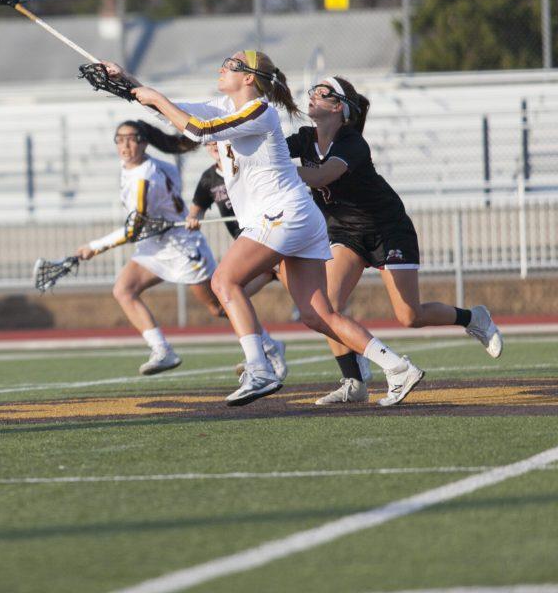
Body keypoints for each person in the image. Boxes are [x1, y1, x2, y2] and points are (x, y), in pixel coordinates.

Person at [96, 51, 425, 406]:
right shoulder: (224, 104)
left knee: (224, 281)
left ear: (249, 77)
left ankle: (260, 368)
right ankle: (398, 367)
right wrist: (126, 80)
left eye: (231, 65)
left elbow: (199, 130)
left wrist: (156, 98)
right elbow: (171, 109)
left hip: (283, 214)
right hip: (293, 217)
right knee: (319, 315)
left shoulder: (259, 110)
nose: (222, 68)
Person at [288, 76, 502, 405]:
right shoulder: (304, 139)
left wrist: (275, 172)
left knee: (409, 316)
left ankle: (474, 318)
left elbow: (321, 176)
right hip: (346, 233)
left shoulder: (351, 143)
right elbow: (270, 152)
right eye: (312, 92)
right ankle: (355, 381)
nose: (312, 97)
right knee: (326, 309)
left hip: (387, 229)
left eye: (323, 93)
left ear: (339, 107)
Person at [74, 120, 225, 376]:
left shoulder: (145, 176)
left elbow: (134, 229)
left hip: (181, 248)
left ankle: (267, 345)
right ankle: (162, 350)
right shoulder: (144, 167)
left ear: (144, 142)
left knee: (218, 307)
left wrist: (95, 247)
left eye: (132, 139)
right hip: (156, 244)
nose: (125, 145)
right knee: (124, 289)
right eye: (120, 139)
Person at [186, 140, 291, 377]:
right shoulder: (208, 179)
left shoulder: (247, 166)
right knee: (226, 300)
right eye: (209, 141)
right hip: (252, 256)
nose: (213, 145)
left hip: (275, 246)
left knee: (314, 310)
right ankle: (268, 348)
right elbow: (195, 212)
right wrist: (193, 219)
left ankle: (353, 360)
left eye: (218, 140)